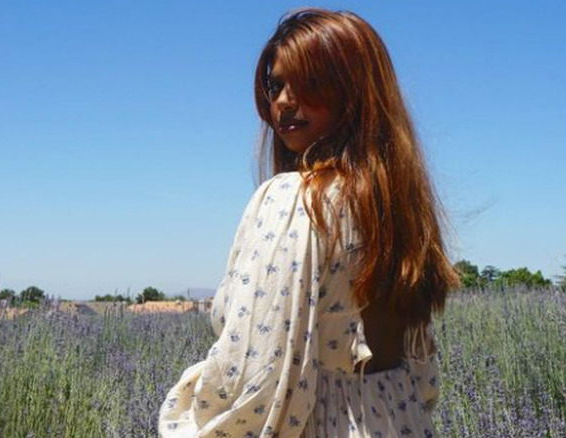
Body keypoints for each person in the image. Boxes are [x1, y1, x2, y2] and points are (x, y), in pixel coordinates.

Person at [159, 8, 460, 437]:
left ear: (354, 89)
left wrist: (186, 417)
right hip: (400, 418)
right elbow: (423, 372)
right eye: (275, 85)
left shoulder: (293, 199)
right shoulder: (400, 207)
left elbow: (254, 368)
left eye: (308, 81)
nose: (283, 100)